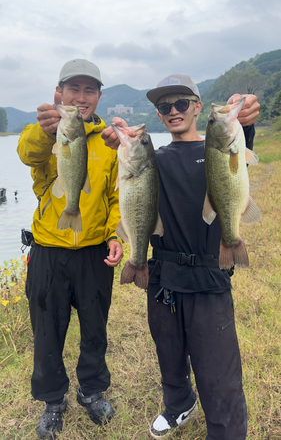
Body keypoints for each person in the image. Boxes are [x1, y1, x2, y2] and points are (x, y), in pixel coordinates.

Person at [101, 73, 260, 440]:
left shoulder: (217, 149)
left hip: (208, 274)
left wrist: (245, 121)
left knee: (217, 369)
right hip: (164, 277)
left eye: (182, 103)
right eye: (164, 106)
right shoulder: (155, 160)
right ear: (158, 114)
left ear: (198, 107)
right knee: (169, 354)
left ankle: (226, 431)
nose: (173, 111)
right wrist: (118, 141)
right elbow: (134, 187)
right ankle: (179, 405)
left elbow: (236, 155)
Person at [17, 58, 123, 439]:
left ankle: (91, 391)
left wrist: (115, 236)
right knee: (47, 330)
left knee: (95, 329)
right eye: (73, 89)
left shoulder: (110, 142)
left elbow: (115, 197)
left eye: (89, 90)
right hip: (49, 251)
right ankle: (52, 400)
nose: (80, 98)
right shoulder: (43, 132)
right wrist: (47, 133)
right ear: (58, 93)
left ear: (98, 97)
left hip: (94, 253)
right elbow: (28, 155)